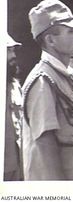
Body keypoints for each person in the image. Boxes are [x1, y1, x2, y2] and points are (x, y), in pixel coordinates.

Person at [22, 0, 73, 180]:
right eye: (70, 31)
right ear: (50, 40)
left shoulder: (64, 76)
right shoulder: (43, 82)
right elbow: (45, 152)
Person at [4, 33, 23, 181]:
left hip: (18, 166)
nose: (13, 55)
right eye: (8, 51)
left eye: (13, 50)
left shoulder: (15, 87)